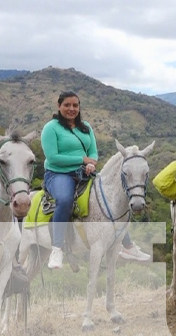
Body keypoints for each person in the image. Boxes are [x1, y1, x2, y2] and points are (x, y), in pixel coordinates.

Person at [42, 91, 150, 269]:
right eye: (67, 105)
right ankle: (57, 248)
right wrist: (82, 160)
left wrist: (91, 163)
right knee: (65, 199)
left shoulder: (85, 127)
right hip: (58, 174)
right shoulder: (51, 128)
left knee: (111, 200)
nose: (71, 109)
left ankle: (128, 246)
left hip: (84, 172)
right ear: (59, 106)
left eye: (75, 105)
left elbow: (93, 152)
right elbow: (53, 158)